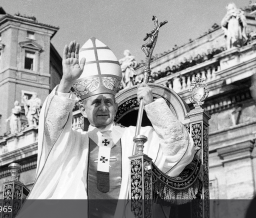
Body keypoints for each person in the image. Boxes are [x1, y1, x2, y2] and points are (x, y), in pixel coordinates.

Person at [18, 38, 195, 218]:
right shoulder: (74, 143)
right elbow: (51, 130)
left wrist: (152, 106)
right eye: (96, 102)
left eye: (108, 102)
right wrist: (65, 83)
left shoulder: (138, 137)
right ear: (82, 110)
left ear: (116, 107)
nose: (103, 107)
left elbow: (181, 149)